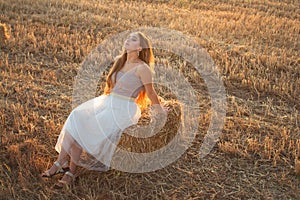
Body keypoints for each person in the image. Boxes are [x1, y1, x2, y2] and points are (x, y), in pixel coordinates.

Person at [41, 32, 167, 188]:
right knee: (77, 117)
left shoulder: (143, 68)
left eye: (133, 39)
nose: (128, 40)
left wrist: (160, 109)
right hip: (108, 102)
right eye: (128, 37)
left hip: (124, 109)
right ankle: (66, 167)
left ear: (140, 47)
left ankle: (66, 168)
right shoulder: (119, 62)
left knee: (83, 127)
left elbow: (151, 92)